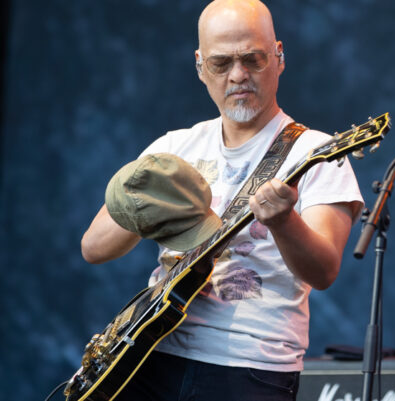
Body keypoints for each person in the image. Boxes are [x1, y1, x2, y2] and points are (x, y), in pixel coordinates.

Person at [80, 1, 364, 400]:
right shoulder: (174, 148)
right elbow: (93, 248)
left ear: (279, 57)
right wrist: (151, 209)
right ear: (200, 66)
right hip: (150, 354)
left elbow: (324, 272)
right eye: (221, 63)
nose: (238, 75)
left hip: (249, 367)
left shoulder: (317, 153)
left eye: (253, 59)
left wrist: (284, 222)